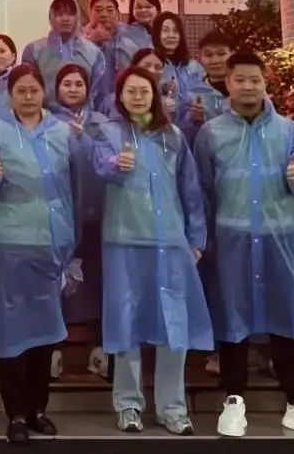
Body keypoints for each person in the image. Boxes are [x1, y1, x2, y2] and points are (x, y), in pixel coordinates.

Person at [194, 52, 294, 439]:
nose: (248, 86)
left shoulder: (290, 131)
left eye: (254, 80)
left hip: (280, 239)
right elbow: (202, 190)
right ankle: (233, 400)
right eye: (240, 80)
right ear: (228, 83)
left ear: (265, 82)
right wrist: (203, 240)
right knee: (233, 317)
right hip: (232, 240)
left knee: (285, 314)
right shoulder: (210, 133)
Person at [0, 64, 90, 444]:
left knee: (46, 331)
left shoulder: (62, 132)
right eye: (20, 90)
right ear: (10, 95)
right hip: (8, 243)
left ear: (43, 93)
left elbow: (77, 187)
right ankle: (16, 414)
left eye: (33, 90)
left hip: (51, 241)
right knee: (12, 330)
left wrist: (71, 234)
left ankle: (39, 408)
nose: (27, 96)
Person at [94, 66, 211, 436]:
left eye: (144, 90)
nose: (138, 97)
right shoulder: (108, 133)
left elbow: (190, 190)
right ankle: (128, 404)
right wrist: (116, 164)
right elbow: (98, 167)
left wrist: (196, 239)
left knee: (173, 325)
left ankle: (172, 408)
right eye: (130, 90)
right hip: (124, 241)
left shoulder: (172, 136)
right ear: (120, 96)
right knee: (125, 324)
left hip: (169, 243)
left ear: (155, 95)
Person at [48, 64, 111, 379]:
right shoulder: (47, 122)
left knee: (98, 281)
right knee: (58, 282)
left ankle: (99, 349)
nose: (73, 89)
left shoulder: (101, 122)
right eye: (67, 83)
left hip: (97, 213)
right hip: (60, 215)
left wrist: (83, 137)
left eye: (78, 84)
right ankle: (54, 349)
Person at [22, 0, 106, 110]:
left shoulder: (93, 52)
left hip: (84, 117)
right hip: (47, 116)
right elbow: (29, 87)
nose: (65, 18)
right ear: (51, 17)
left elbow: (97, 92)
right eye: (60, 14)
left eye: (71, 14)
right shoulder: (34, 50)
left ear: (77, 17)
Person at [180, 30, 234, 147]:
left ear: (232, 54)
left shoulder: (245, 89)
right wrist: (196, 121)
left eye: (221, 54)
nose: (215, 61)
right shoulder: (194, 94)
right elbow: (186, 141)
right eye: (208, 55)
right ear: (199, 58)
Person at [151, 11, 204, 124]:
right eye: (165, 30)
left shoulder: (193, 67)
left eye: (176, 31)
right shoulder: (152, 66)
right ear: (156, 35)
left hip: (193, 128)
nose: (171, 35)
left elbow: (204, 96)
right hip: (161, 128)